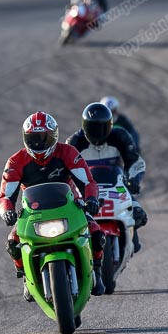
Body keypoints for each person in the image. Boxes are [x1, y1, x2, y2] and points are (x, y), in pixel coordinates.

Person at [0, 111, 106, 300]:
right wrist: (7, 212)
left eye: (44, 138)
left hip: (69, 206)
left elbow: (88, 182)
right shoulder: (15, 162)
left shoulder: (68, 152)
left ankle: (96, 270)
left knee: (97, 233)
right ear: (25, 138)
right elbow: (4, 196)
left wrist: (92, 200)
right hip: (32, 213)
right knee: (12, 243)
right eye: (33, 138)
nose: (39, 144)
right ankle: (25, 277)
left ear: (54, 136)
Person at [66, 102, 148, 253]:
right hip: (85, 190)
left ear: (110, 125)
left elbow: (135, 161)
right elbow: (65, 171)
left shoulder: (120, 136)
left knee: (139, 215)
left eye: (102, 127)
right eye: (93, 128)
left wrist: (133, 180)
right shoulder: (74, 142)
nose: (97, 133)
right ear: (84, 126)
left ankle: (130, 238)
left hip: (116, 185)